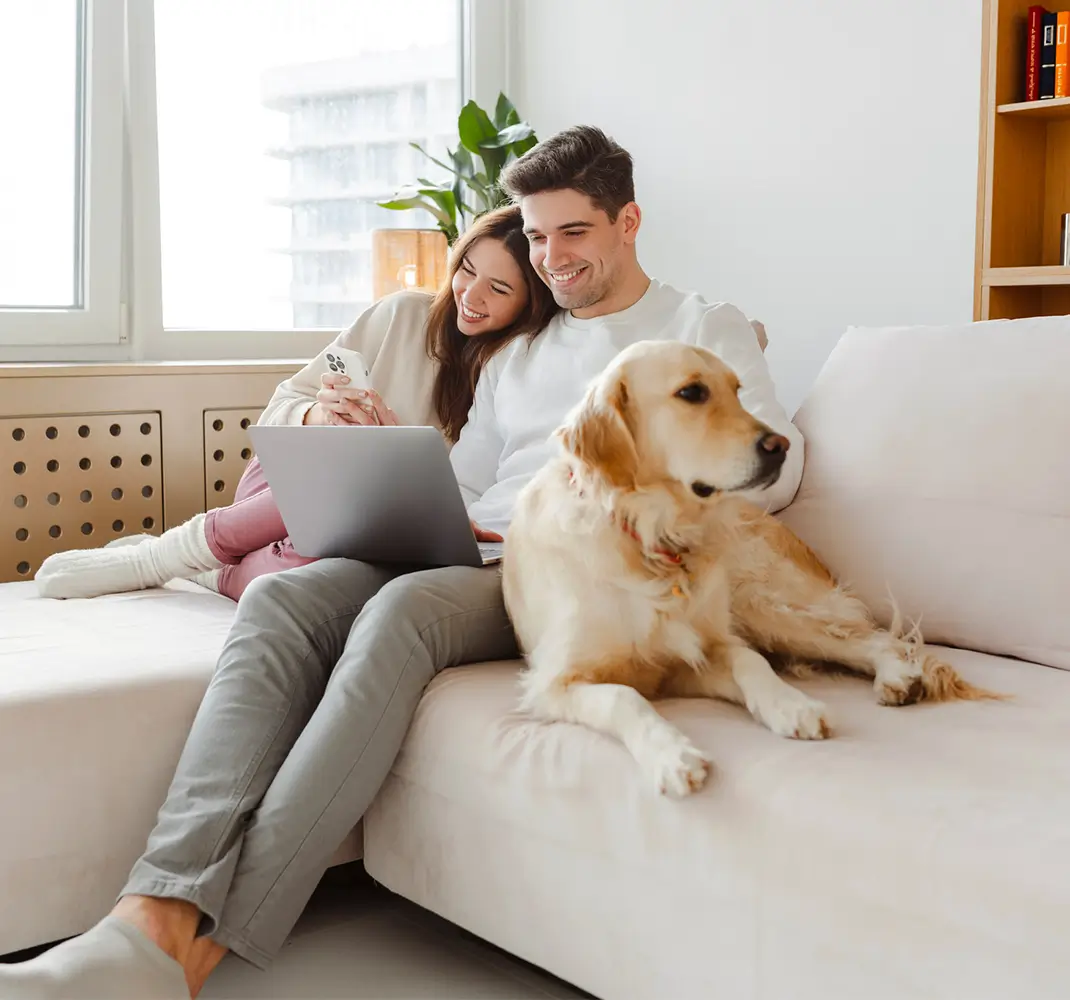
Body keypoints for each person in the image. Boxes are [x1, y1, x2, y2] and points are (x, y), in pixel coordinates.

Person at [0, 126, 803, 1000]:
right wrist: (397, 466)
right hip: (480, 548)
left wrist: (636, 491)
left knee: (403, 613)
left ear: (626, 222)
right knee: (286, 603)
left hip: (581, 572)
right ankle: (149, 909)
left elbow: (778, 466)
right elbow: (470, 481)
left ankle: (184, 951)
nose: (551, 257)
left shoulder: (702, 328)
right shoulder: (525, 352)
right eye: (535, 237)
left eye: (571, 233)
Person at [33, 205, 558, 603]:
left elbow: (453, 502)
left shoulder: (514, 371)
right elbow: (281, 408)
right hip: (281, 485)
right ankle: (159, 556)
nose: (470, 295)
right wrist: (321, 416)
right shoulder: (402, 316)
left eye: (498, 288)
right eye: (466, 269)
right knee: (341, 472)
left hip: (354, 530)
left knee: (304, 582)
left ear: (529, 302)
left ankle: (208, 569)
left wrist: (392, 452)